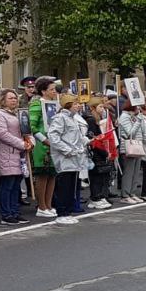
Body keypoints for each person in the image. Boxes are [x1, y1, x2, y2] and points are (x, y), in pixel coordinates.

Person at [0, 90, 31, 225]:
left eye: (15, 98)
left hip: (19, 154)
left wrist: (30, 142)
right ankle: (6, 214)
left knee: (16, 186)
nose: (14, 100)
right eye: (10, 98)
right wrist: (21, 144)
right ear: (3, 100)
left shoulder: (18, 113)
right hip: (6, 153)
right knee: (7, 184)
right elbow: (2, 134)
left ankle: (15, 211)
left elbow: (26, 130)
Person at [47, 94, 86, 225]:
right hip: (65, 158)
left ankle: (68, 211)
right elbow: (54, 137)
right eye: (75, 103)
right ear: (68, 105)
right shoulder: (60, 118)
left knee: (71, 186)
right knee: (64, 186)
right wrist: (67, 150)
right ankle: (62, 212)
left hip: (75, 157)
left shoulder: (73, 119)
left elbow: (75, 137)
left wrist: (85, 142)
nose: (78, 105)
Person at [28, 77, 59, 217]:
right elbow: (33, 126)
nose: (54, 92)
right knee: (43, 174)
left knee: (52, 174)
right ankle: (41, 206)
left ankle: (48, 204)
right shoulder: (36, 104)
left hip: (54, 142)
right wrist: (45, 140)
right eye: (51, 89)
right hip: (41, 144)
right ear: (43, 91)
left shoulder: (53, 104)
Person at [117, 101, 145, 202]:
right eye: (137, 107)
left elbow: (141, 131)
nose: (139, 109)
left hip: (137, 145)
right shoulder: (124, 117)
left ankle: (132, 192)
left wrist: (140, 120)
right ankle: (125, 194)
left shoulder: (134, 117)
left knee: (136, 171)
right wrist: (138, 121)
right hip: (128, 147)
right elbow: (130, 132)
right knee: (128, 172)